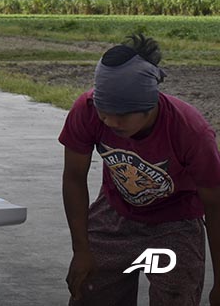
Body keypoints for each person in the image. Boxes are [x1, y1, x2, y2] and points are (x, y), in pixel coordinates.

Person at [59, 34, 220, 305]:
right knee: (89, 291)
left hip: (175, 224)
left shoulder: (191, 132)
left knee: (175, 297)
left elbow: (216, 205)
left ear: (149, 106)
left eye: (121, 115)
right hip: (115, 212)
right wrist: (81, 249)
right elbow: (74, 178)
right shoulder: (86, 111)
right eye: (103, 110)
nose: (110, 121)